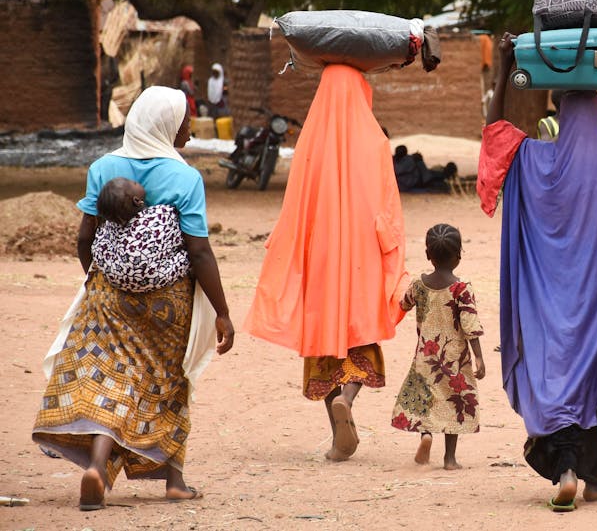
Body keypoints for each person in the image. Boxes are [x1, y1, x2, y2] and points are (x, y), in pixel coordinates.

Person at [477, 33, 597, 512]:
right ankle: (592, 477)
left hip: (543, 305)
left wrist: (506, 67)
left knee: (552, 376)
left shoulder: (531, 160)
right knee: (593, 379)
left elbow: (494, 130)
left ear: (556, 113)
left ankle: (565, 472)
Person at [32, 86, 235, 511]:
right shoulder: (184, 178)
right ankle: (174, 482)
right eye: (183, 122)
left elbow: (84, 239)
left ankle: (97, 469)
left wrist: (102, 282)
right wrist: (223, 312)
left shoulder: (103, 167)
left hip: (108, 296)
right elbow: (198, 251)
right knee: (168, 384)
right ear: (165, 124)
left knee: (112, 381)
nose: (188, 131)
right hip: (168, 303)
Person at [243, 64, 408, 462]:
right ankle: (349, 398)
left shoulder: (310, 146)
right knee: (360, 329)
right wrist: (392, 254)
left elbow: (296, 206)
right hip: (363, 257)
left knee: (324, 335)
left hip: (320, 257)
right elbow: (388, 205)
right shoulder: (376, 143)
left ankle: (337, 436)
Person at [391, 223, 486, 470]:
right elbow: (470, 324)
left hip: (426, 354)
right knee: (453, 401)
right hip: (454, 358)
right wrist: (478, 358)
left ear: (427, 255)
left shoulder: (419, 284)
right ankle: (450, 459)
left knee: (425, 396)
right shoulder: (461, 288)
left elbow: (404, 303)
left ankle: (426, 435)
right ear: (459, 255)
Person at [91, 177, 190, 293]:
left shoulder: (110, 225)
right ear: (137, 201)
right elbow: (177, 223)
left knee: (101, 241)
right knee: (189, 254)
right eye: (134, 183)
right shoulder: (159, 216)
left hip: (118, 280)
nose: (137, 181)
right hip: (152, 279)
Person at [99, 44, 120, 125]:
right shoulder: (96, 61)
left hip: (106, 90)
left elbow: (116, 75)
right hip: (96, 92)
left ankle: (105, 126)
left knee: (104, 110)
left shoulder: (109, 60)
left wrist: (109, 84)